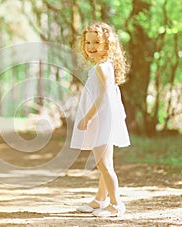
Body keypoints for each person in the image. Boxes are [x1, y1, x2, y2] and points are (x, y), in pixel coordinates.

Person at [70, 22, 130, 217]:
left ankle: (116, 204)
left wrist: (87, 118)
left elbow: (103, 96)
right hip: (105, 118)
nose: (91, 46)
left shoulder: (101, 68)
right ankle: (99, 200)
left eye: (96, 42)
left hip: (100, 119)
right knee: (106, 163)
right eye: (88, 42)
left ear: (107, 44)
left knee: (104, 165)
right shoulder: (103, 66)